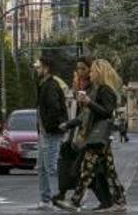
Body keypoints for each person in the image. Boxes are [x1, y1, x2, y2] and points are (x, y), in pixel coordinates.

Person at [56, 59, 126, 212]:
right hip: (98, 137)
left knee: (86, 169)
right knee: (109, 171)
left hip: (98, 135)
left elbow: (107, 112)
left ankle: (75, 201)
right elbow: (85, 115)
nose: (90, 74)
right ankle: (119, 201)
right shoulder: (97, 89)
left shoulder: (105, 90)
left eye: (93, 71)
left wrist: (88, 102)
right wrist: (69, 124)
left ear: (100, 73)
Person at [34, 56, 69, 210]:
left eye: (39, 67)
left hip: (51, 133)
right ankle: (45, 199)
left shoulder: (51, 86)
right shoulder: (44, 84)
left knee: (50, 167)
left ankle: (56, 198)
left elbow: (54, 108)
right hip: (44, 133)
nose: (37, 69)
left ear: (46, 68)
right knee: (42, 167)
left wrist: (48, 127)